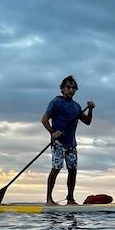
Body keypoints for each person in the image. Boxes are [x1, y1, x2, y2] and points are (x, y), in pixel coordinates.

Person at [41, 74, 94, 205]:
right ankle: (49, 199)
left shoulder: (76, 106)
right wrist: (53, 132)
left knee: (73, 170)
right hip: (58, 143)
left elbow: (87, 122)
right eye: (68, 87)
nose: (71, 90)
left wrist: (91, 109)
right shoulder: (56, 102)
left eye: (74, 88)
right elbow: (44, 119)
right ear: (62, 89)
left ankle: (70, 199)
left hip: (71, 144)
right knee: (56, 168)